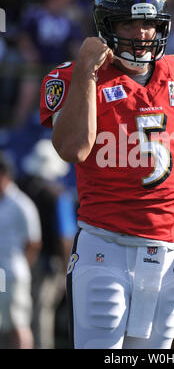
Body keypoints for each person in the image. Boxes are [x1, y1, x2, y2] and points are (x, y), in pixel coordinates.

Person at [39, 0, 174, 349]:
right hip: (105, 251)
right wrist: (84, 71)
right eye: (129, 22)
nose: (142, 33)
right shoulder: (78, 77)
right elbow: (73, 149)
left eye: (148, 22)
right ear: (106, 26)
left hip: (166, 257)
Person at [19, 138, 77, 349]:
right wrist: (67, 270)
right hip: (48, 264)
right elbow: (65, 237)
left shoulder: (21, 190)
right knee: (42, 313)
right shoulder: (59, 197)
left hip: (21, 260)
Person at [0, 151, 41, 349]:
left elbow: (33, 242)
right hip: (1, 274)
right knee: (4, 322)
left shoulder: (21, 204)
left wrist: (22, 266)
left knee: (19, 322)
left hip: (14, 273)